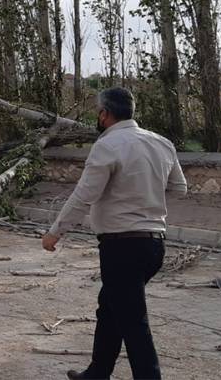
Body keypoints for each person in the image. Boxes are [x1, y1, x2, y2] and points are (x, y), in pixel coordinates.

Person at [42, 87, 186, 380]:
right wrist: (145, 192)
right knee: (110, 308)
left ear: (105, 114)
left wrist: (56, 232)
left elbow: (84, 195)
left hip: (122, 247)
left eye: (99, 112)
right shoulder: (162, 143)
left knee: (133, 321)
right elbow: (179, 188)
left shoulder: (107, 145)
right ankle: (98, 372)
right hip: (154, 245)